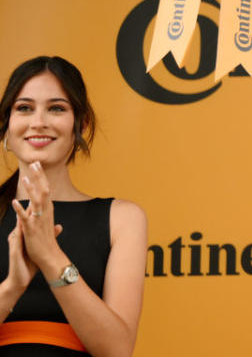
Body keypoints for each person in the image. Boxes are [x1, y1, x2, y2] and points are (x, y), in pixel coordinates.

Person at [0, 56, 147, 356]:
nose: (38, 121)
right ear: (6, 127)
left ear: (81, 124)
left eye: (56, 108)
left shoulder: (122, 218)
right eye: (24, 108)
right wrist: (13, 286)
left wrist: (52, 257)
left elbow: (117, 350)